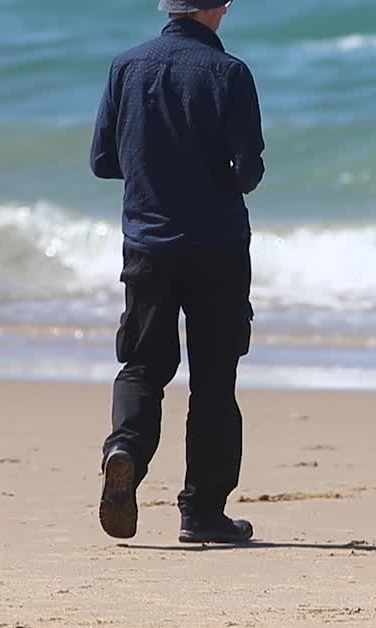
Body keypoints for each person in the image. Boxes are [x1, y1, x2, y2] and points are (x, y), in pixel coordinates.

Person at [89, 0, 264, 544]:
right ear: (222, 8)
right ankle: (202, 512)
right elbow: (249, 171)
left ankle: (125, 451)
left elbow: (102, 161)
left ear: (167, 7)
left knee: (142, 366)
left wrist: (153, 165)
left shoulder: (126, 66)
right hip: (217, 248)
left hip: (147, 244)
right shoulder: (231, 73)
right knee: (213, 378)